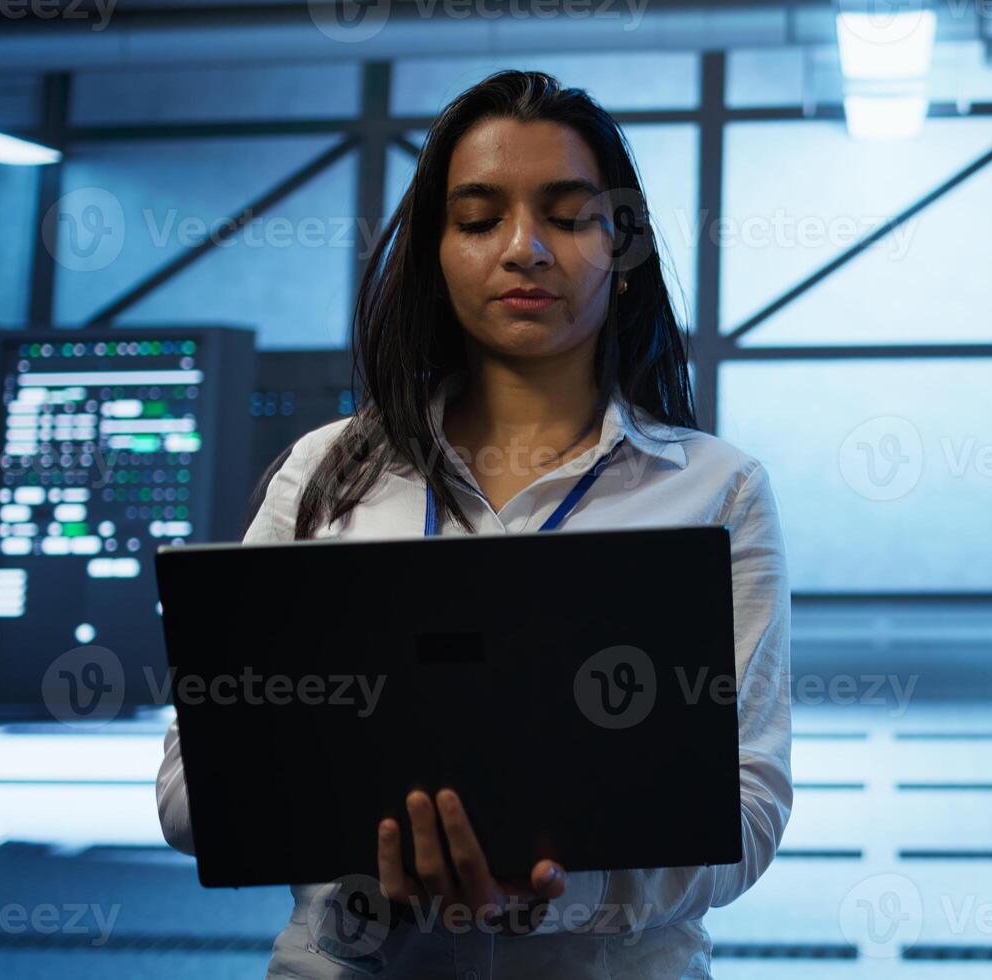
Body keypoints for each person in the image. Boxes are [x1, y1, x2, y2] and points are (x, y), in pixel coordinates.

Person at [153, 69, 792, 979]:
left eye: (569, 216)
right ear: (433, 250)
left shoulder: (716, 490)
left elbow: (746, 814)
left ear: (622, 245)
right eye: (478, 217)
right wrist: (372, 853)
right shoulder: (327, 472)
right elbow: (191, 795)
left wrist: (544, 894)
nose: (525, 248)